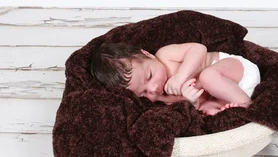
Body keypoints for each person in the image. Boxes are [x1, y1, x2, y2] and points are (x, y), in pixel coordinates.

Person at [90, 42, 260, 116]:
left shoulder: (165, 55)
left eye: (150, 76)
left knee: (208, 76)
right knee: (205, 110)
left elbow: (198, 49)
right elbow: (188, 108)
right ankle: (227, 109)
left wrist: (180, 76)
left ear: (147, 54)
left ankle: (248, 107)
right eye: (142, 93)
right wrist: (191, 102)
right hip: (222, 96)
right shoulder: (161, 98)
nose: (153, 88)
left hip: (236, 71)